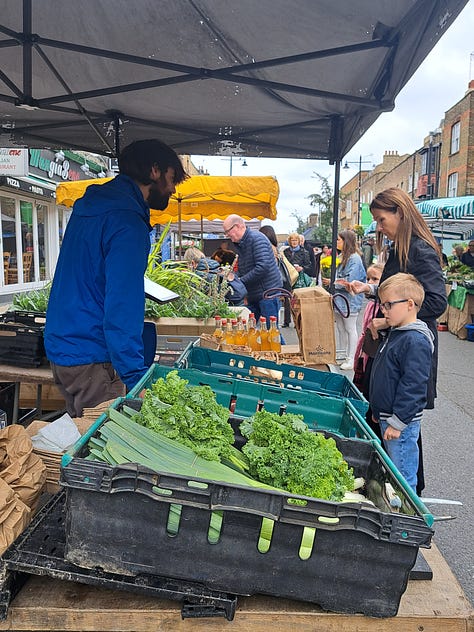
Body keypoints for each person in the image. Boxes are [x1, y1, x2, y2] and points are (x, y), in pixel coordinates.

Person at [44, 139, 187, 417]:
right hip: (93, 358)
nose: (172, 189)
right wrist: (135, 378)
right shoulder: (126, 222)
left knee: (81, 439)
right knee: (104, 452)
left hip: (65, 348)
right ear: (154, 171)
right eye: (172, 179)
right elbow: (122, 303)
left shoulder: (91, 207)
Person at [349, 187, 447, 495]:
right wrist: (371, 291)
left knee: (402, 435)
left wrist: (395, 318)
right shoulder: (402, 249)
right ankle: (391, 494)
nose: (379, 227)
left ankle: (408, 501)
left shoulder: (420, 250)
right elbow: (397, 291)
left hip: (406, 351)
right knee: (387, 428)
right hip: (393, 349)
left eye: (381, 219)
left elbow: (436, 302)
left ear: (400, 214)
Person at [370, 273, 434, 493]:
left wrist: (398, 422)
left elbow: (414, 387)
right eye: (382, 304)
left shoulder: (415, 340)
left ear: (409, 305)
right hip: (389, 417)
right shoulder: (398, 333)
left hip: (400, 424)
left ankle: (407, 525)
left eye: (388, 305)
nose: (383, 310)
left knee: (403, 476)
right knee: (394, 471)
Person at [222, 214, 282, 324]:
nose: (227, 235)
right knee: (250, 327)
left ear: (237, 226)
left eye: (227, 231)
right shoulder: (242, 243)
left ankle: (281, 342)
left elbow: (262, 267)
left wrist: (239, 281)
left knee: (271, 330)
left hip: (267, 293)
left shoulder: (256, 238)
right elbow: (244, 267)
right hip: (255, 294)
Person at [324, 230, 366, 370]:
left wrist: (332, 282)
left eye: (339, 240)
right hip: (341, 299)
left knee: (349, 328)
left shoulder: (354, 258)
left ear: (346, 241)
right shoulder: (343, 256)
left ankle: (350, 358)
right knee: (341, 328)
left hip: (350, 300)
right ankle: (342, 354)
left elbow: (350, 281)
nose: (336, 242)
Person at [352, 262, 385, 410]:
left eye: (375, 279)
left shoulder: (384, 308)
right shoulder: (371, 305)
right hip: (366, 350)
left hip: (375, 352)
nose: (370, 283)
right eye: (368, 279)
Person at [259, 225, 292, 326]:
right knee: (272, 325)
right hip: (274, 287)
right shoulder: (274, 248)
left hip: (270, 288)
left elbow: (265, 268)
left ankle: (281, 342)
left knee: (271, 327)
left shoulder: (267, 248)